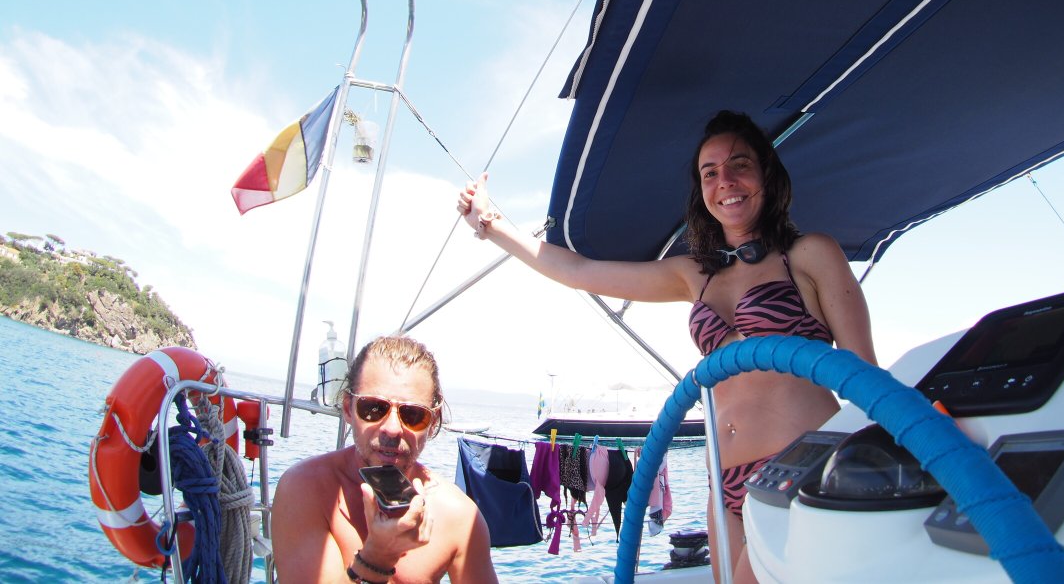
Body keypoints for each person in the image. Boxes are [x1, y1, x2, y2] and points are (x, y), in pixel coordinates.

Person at [458, 109, 876, 582]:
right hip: (724, 482)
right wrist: (491, 224)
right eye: (710, 172)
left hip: (802, 468)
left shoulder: (810, 253)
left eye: (740, 164)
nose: (725, 181)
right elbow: (579, 271)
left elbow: (865, 374)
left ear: (767, 174)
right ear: (701, 190)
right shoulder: (693, 273)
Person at [272, 334, 498, 584]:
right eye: (373, 409)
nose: (392, 429)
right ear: (348, 408)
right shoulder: (306, 489)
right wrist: (377, 558)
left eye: (413, 415)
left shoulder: (459, 517)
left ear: (433, 422)